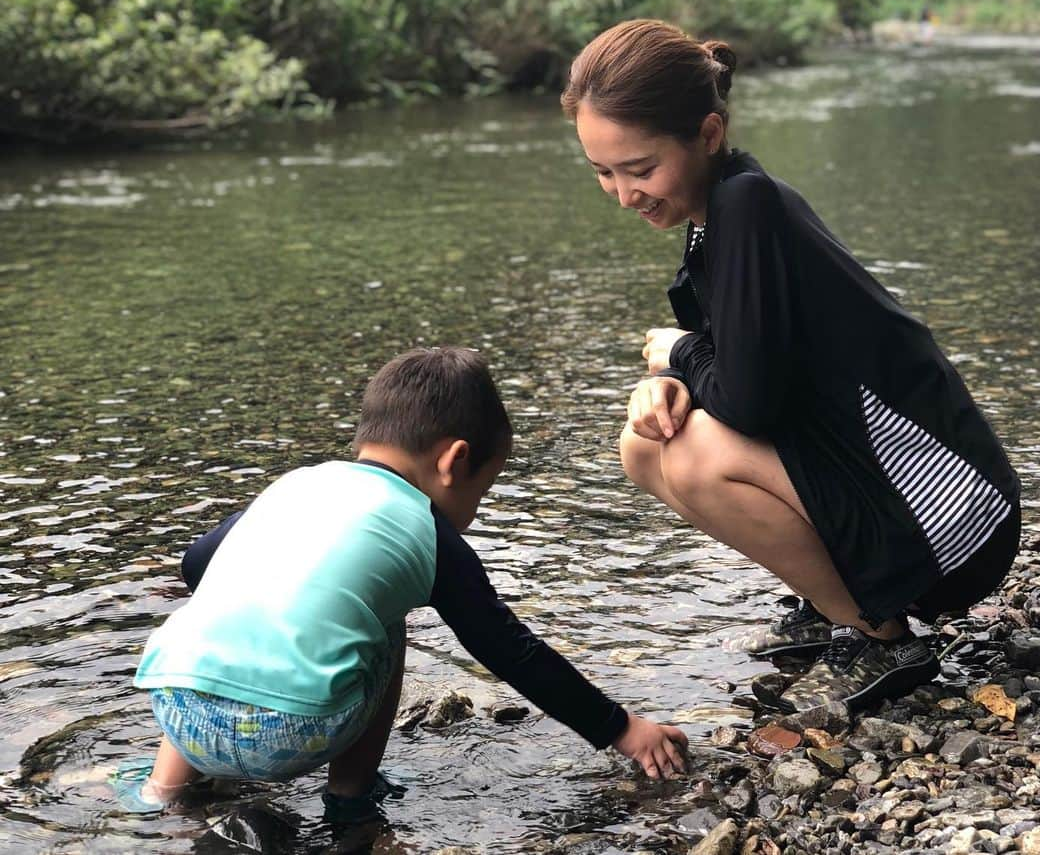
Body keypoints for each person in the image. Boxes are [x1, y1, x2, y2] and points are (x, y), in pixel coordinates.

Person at [561, 19, 1021, 715]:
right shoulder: (717, 213)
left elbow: (747, 402)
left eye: (641, 167)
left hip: (951, 517)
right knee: (645, 443)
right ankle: (835, 602)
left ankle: (880, 634)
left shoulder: (748, 206)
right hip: (904, 500)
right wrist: (669, 380)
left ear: (708, 135)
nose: (625, 193)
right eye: (604, 171)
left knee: (691, 458)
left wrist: (678, 352)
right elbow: (744, 358)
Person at [114, 347, 687, 815]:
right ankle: (350, 795)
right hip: (293, 733)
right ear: (454, 461)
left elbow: (195, 565)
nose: (475, 509)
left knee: (215, 616)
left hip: (179, 714)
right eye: (480, 491)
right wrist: (623, 729)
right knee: (386, 622)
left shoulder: (299, 483)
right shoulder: (428, 531)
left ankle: (161, 792)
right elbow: (510, 652)